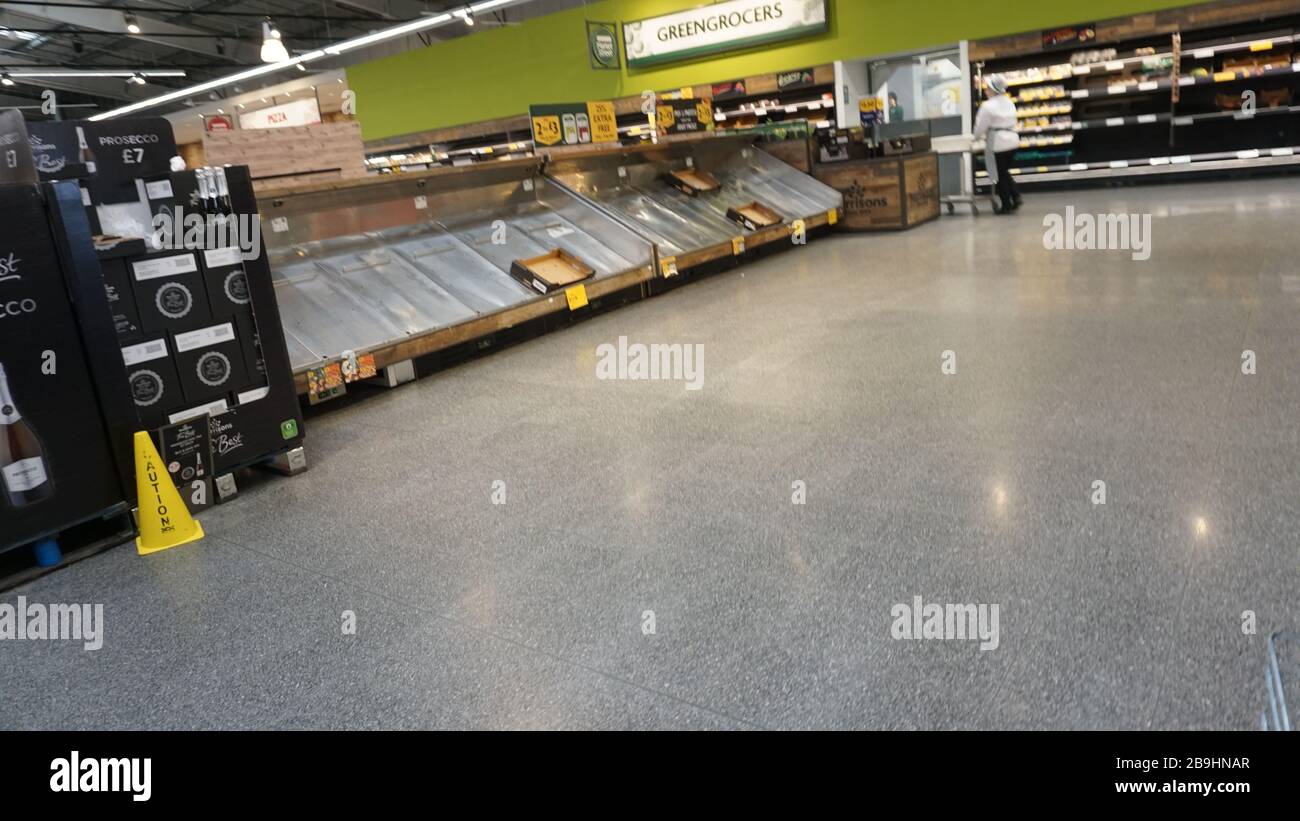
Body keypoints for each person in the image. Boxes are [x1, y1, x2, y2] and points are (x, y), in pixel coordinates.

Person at [973, 74, 1022, 214]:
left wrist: (975, 138)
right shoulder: (1009, 102)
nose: (985, 90)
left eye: (987, 88)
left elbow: (980, 127)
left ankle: (1006, 205)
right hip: (1013, 140)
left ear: (993, 90)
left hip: (998, 142)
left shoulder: (987, 106)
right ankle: (1016, 196)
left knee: (999, 175)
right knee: (1003, 170)